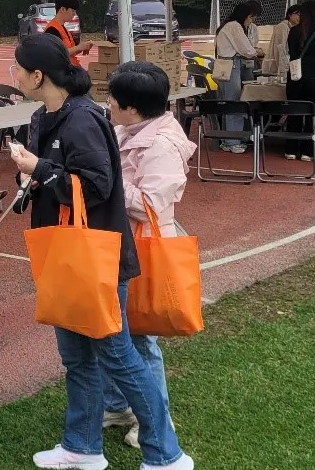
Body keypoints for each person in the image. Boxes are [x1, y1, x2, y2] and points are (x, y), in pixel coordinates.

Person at [7, 35, 190, 470]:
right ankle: (82, 448)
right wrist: (33, 180)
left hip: (97, 256)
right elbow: (63, 178)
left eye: (18, 68)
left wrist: (39, 169)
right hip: (62, 251)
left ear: (38, 76)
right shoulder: (43, 116)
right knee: (77, 358)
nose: (11, 75)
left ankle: (166, 455)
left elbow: (96, 186)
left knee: (118, 354)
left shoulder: (83, 119)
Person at [99, 63, 194, 451]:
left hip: (145, 246)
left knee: (140, 336)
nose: (107, 103)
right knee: (117, 328)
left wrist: (104, 181)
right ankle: (120, 404)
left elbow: (152, 205)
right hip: (123, 243)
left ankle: (155, 415)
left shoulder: (162, 144)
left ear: (133, 108)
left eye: (113, 99)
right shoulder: (129, 129)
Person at [213, 2, 264, 153]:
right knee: (234, 102)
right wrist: (258, 52)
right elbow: (246, 49)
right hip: (231, 65)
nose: (251, 20)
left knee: (226, 102)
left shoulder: (227, 25)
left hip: (224, 65)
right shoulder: (234, 26)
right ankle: (233, 141)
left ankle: (227, 139)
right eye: (250, 17)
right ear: (244, 15)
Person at [285, 2, 315, 161]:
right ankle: (308, 151)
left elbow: (292, 53)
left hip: (295, 76)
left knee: (294, 112)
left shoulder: (293, 31)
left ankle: (290, 149)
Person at [44, 0, 93, 65]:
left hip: (70, 69)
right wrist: (78, 47)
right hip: (62, 72)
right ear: (62, 9)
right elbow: (56, 54)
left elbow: (70, 51)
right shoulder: (52, 30)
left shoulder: (63, 28)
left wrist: (82, 48)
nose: (74, 14)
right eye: (72, 11)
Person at [262, 4, 299, 78]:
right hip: (275, 68)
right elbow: (280, 49)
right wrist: (283, 70)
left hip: (282, 66)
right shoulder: (282, 27)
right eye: (297, 14)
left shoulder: (292, 28)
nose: (299, 17)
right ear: (289, 15)